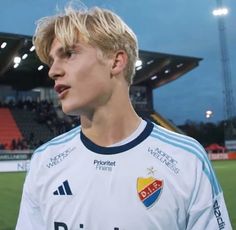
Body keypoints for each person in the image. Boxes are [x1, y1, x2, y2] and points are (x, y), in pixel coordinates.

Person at [16, 5, 232, 230]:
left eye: (68, 54)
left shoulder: (187, 160)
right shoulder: (45, 161)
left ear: (116, 62)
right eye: (52, 61)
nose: (53, 71)